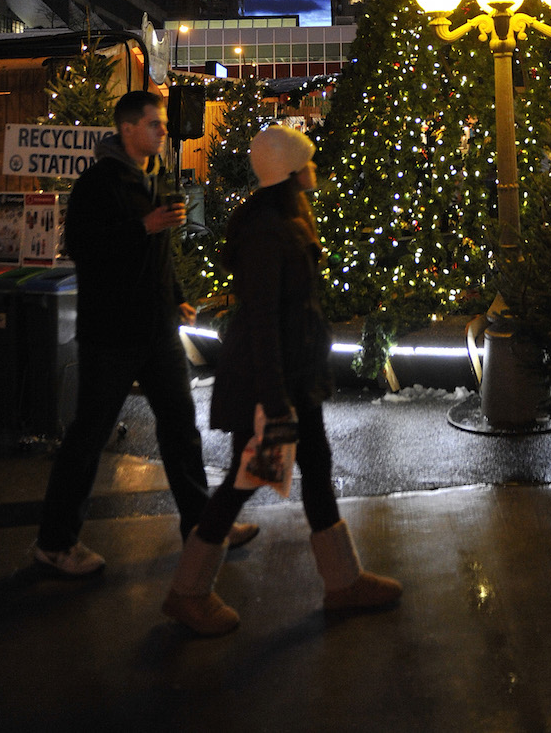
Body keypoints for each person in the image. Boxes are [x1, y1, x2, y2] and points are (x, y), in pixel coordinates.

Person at [161, 124, 401, 636]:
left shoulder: (286, 216)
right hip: (270, 380)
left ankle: (343, 582)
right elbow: (265, 316)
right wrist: (273, 399)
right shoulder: (269, 229)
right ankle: (187, 591)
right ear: (291, 172)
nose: (316, 169)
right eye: (308, 162)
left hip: (291, 375)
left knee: (314, 466)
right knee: (244, 478)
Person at [33, 90, 257, 577]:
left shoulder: (153, 176)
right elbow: (84, 250)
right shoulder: (98, 184)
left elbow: (157, 252)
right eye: (154, 124)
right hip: (111, 333)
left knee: (180, 430)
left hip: (156, 329)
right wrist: (144, 225)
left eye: (161, 124)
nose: (162, 131)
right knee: (88, 437)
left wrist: (175, 292)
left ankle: (201, 527)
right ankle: (55, 543)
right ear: (128, 129)